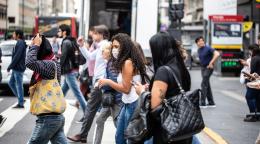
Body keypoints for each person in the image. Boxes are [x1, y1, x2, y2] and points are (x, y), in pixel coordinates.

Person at [134, 31, 193, 144]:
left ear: (158, 50)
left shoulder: (163, 71)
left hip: (166, 132)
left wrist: (141, 92)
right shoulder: (181, 68)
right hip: (183, 130)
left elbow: (156, 107)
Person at [98, 33, 148, 144]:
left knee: (128, 139)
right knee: (119, 137)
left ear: (124, 47)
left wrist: (109, 82)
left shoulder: (127, 62)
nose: (114, 50)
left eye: (117, 47)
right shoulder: (124, 62)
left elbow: (126, 89)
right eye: (113, 47)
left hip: (133, 104)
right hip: (126, 103)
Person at [67, 25, 110, 143]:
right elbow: (90, 57)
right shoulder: (101, 45)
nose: (93, 35)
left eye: (96, 33)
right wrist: (81, 46)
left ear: (102, 34)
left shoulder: (105, 45)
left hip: (101, 82)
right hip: (100, 81)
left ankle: (82, 135)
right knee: (102, 109)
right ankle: (83, 135)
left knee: (91, 107)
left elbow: (108, 64)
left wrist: (104, 79)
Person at [26, 34, 67, 144]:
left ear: (40, 48)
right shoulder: (52, 63)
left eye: (32, 45)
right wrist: (35, 46)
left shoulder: (48, 65)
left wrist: (35, 45)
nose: (30, 48)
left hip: (48, 118)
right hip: (55, 117)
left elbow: (29, 62)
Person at [93, 43, 123, 144]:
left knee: (118, 125)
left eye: (104, 50)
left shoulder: (112, 64)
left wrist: (102, 84)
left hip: (116, 99)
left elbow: (115, 81)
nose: (101, 52)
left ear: (109, 52)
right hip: (110, 98)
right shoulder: (109, 62)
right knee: (100, 120)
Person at [58, 24, 87, 113]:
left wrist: (58, 68)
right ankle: (55, 109)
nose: (58, 32)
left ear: (64, 32)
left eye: (59, 31)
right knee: (62, 92)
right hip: (73, 70)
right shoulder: (71, 41)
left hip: (70, 72)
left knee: (78, 94)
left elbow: (63, 57)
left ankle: (87, 113)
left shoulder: (66, 42)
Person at [195, 36, 220, 108]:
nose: (201, 42)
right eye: (199, 41)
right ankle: (211, 102)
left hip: (208, 68)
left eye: (202, 40)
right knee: (206, 84)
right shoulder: (199, 50)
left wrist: (211, 63)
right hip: (203, 68)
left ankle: (202, 103)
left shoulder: (208, 48)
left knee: (203, 84)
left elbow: (217, 54)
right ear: (197, 43)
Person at [8, 29, 27, 108]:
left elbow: (17, 57)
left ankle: (21, 103)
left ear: (18, 35)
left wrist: (10, 66)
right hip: (16, 67)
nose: (13, 35)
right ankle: (21, 98)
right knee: (11, 83)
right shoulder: (20, 43)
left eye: (14, 34)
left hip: (18, 68)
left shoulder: (20, 43)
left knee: (19, 85)